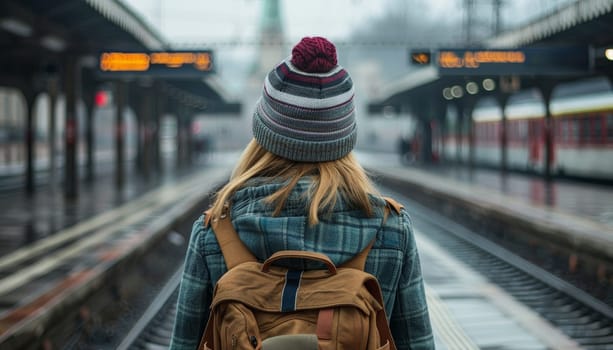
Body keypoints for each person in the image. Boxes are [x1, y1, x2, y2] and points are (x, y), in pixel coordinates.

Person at [169, 36, 434, 350]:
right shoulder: (391, 229)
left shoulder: (215, 230)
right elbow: (417, 344)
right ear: (345, 139)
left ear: (264, 135)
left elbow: (185, 344)